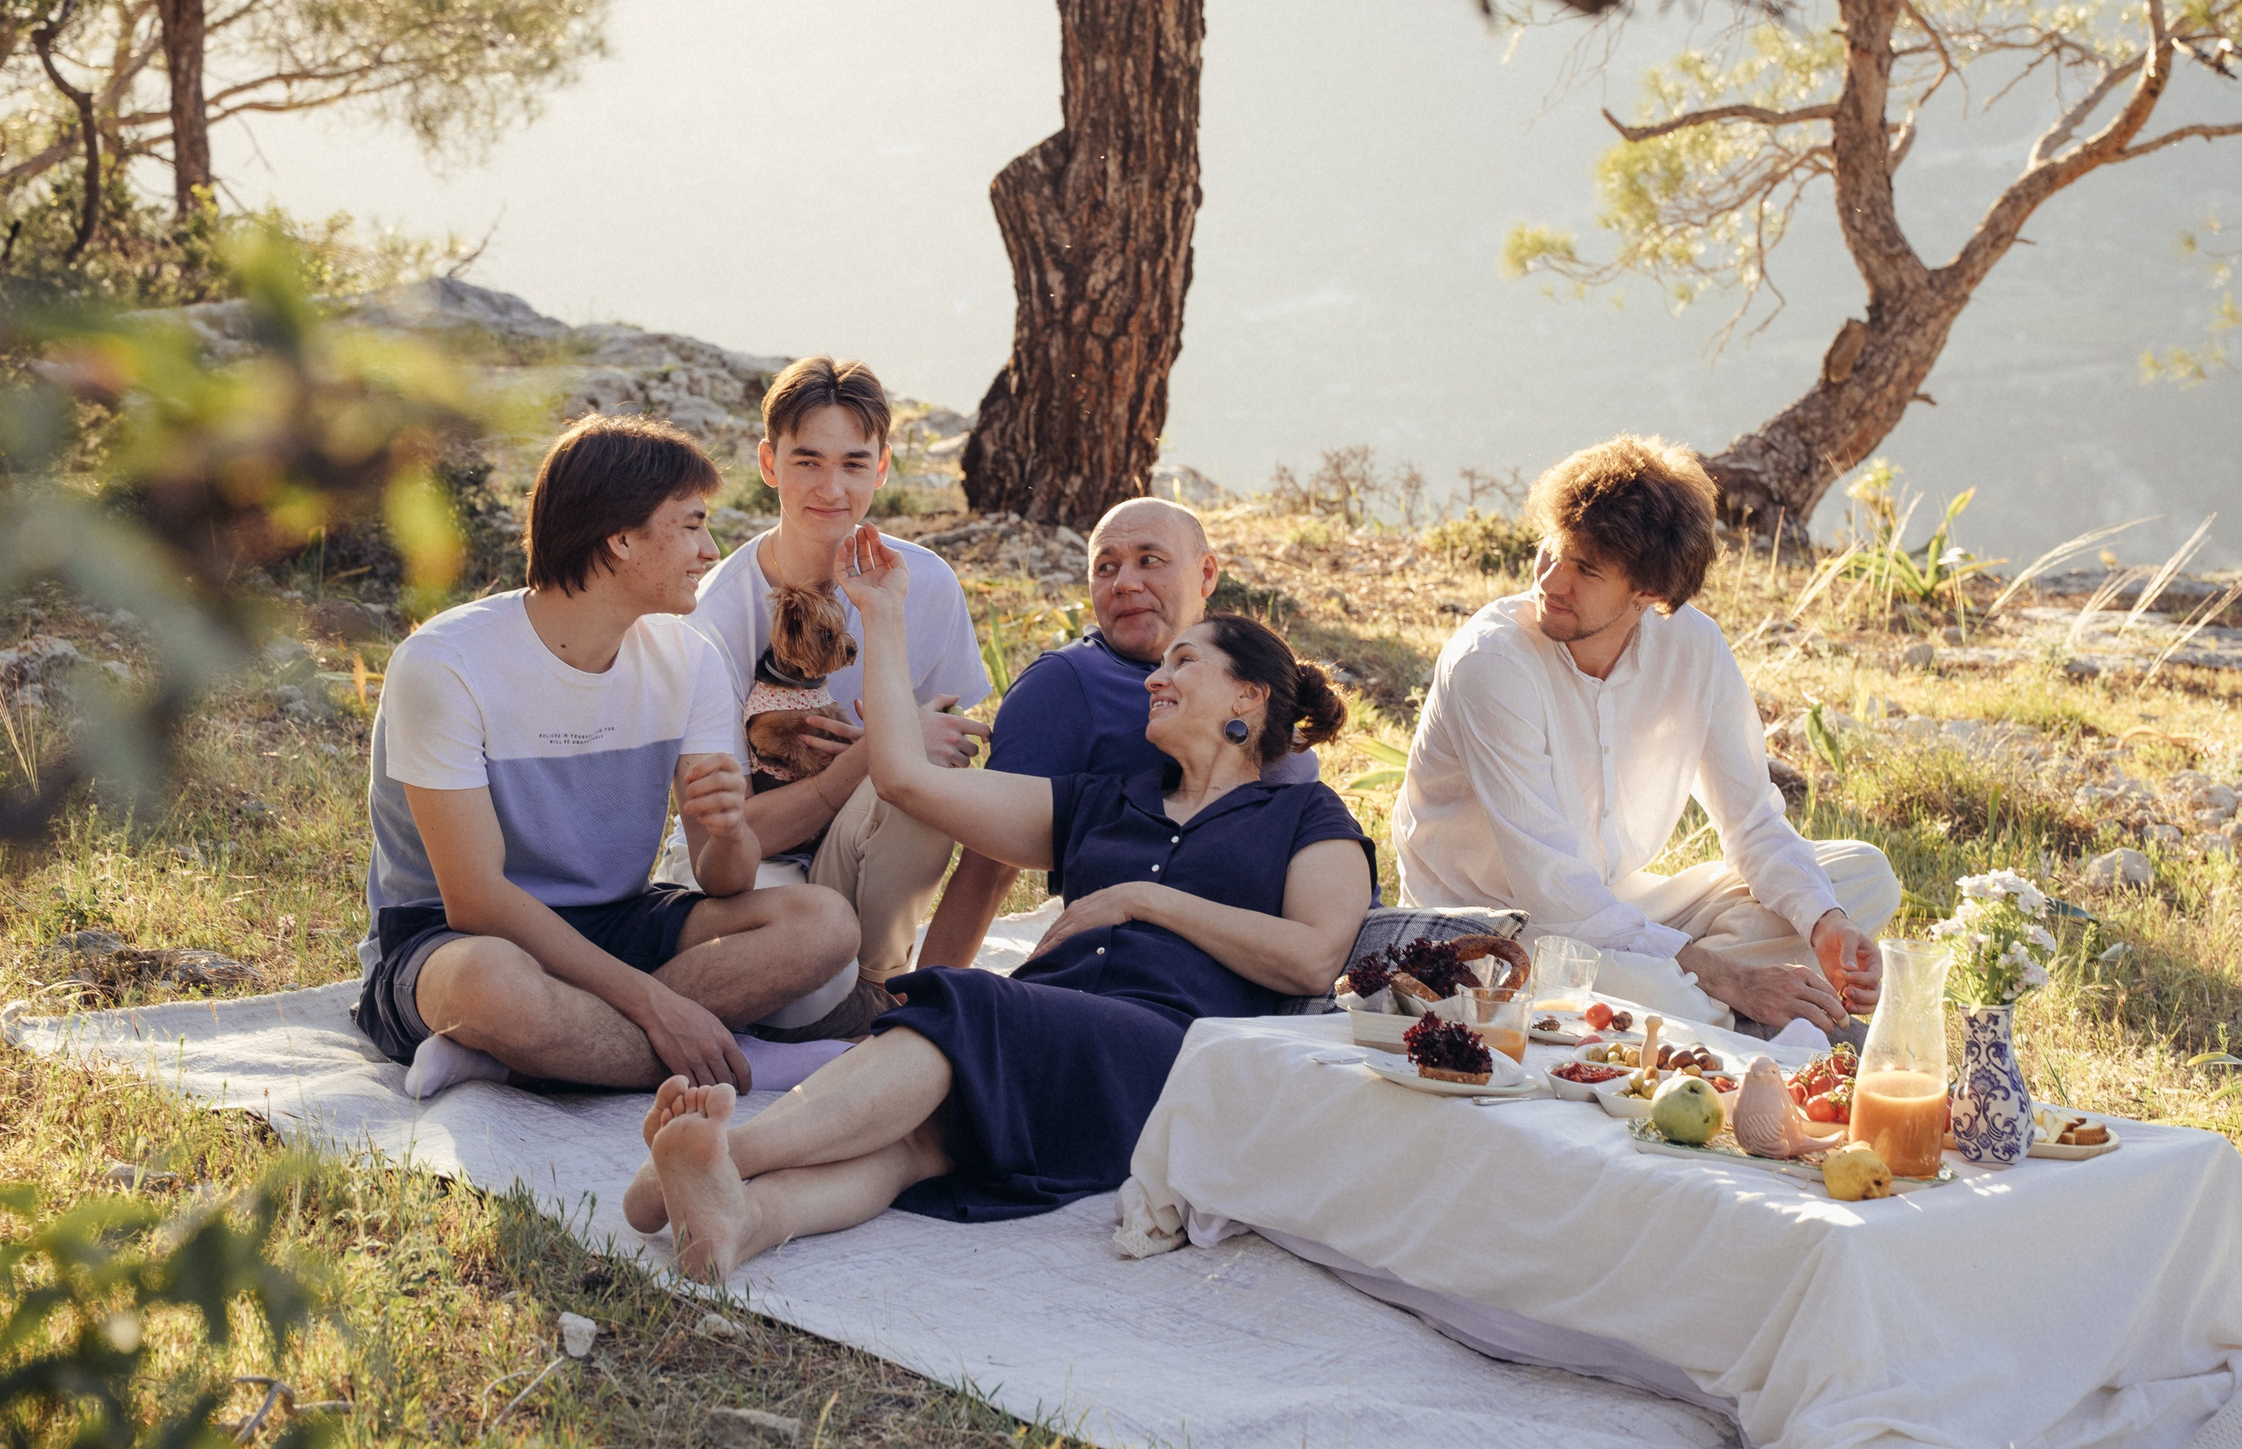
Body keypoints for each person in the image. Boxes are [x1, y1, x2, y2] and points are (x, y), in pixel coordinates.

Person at [625, 524, 1372, 1282]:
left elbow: (1315, 956)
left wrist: (1145, 900)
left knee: (963, 1004)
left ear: (1248, 694)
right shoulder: (1104, 800)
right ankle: (737, 1223)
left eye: (1185, 661)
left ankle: (721, 1156)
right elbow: (906, 780)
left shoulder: (1310, 817)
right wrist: (882, 616)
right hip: (1042, 1030)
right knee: (914, 1145)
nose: (1154, 677)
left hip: (1162, 1057)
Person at [356, 415, 860, 1100]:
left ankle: (515, 1058)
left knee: (822, 922)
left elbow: (721, 877)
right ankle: (739, 1059)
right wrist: (658, 1006)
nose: (711, 550)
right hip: (456, 937)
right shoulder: (445, 664)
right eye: (690, 525)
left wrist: (732, 830)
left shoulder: (689, 660)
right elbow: (475, 898)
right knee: (491, 985)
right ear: (619, 538)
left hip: (619, 916)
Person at [1392, 436, 1900, 1035]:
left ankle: (1729, 1005)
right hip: (1498, 933)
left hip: (1617, 902)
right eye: (1551, 551)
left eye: (1586, 569)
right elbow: (1554, 894)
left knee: (1859, 876)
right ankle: (1735, 1011)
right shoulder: (1492, 663)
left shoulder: (1694, 647)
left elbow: (1753, 823)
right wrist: (1729, 975)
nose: (1551, 582)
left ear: (1650, 592)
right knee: (1669, 991)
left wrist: (1825, 925)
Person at [678, 357, 993, 1035]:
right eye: (807, 461)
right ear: (769, 463)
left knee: (931, 768)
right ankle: (841, 1000)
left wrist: (883, 626)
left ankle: (879, 988)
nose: (831, 487)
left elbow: (952, 774)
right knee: (804, 989)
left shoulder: (926, 584)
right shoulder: (713, 618)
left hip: (867, 851)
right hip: (754, 868)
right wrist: (884, 742)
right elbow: (722, 842)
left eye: (853, 463)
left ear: (882, 468)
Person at [918, 496, 1316, 971]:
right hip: (1146, 966)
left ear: (1206, 574)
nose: (1125, 583)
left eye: (1150, 560)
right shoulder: (1064, 684)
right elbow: (990, 863)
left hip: (1281, 955)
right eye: (1106, 568)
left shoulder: (1252, 672)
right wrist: (924, 996)